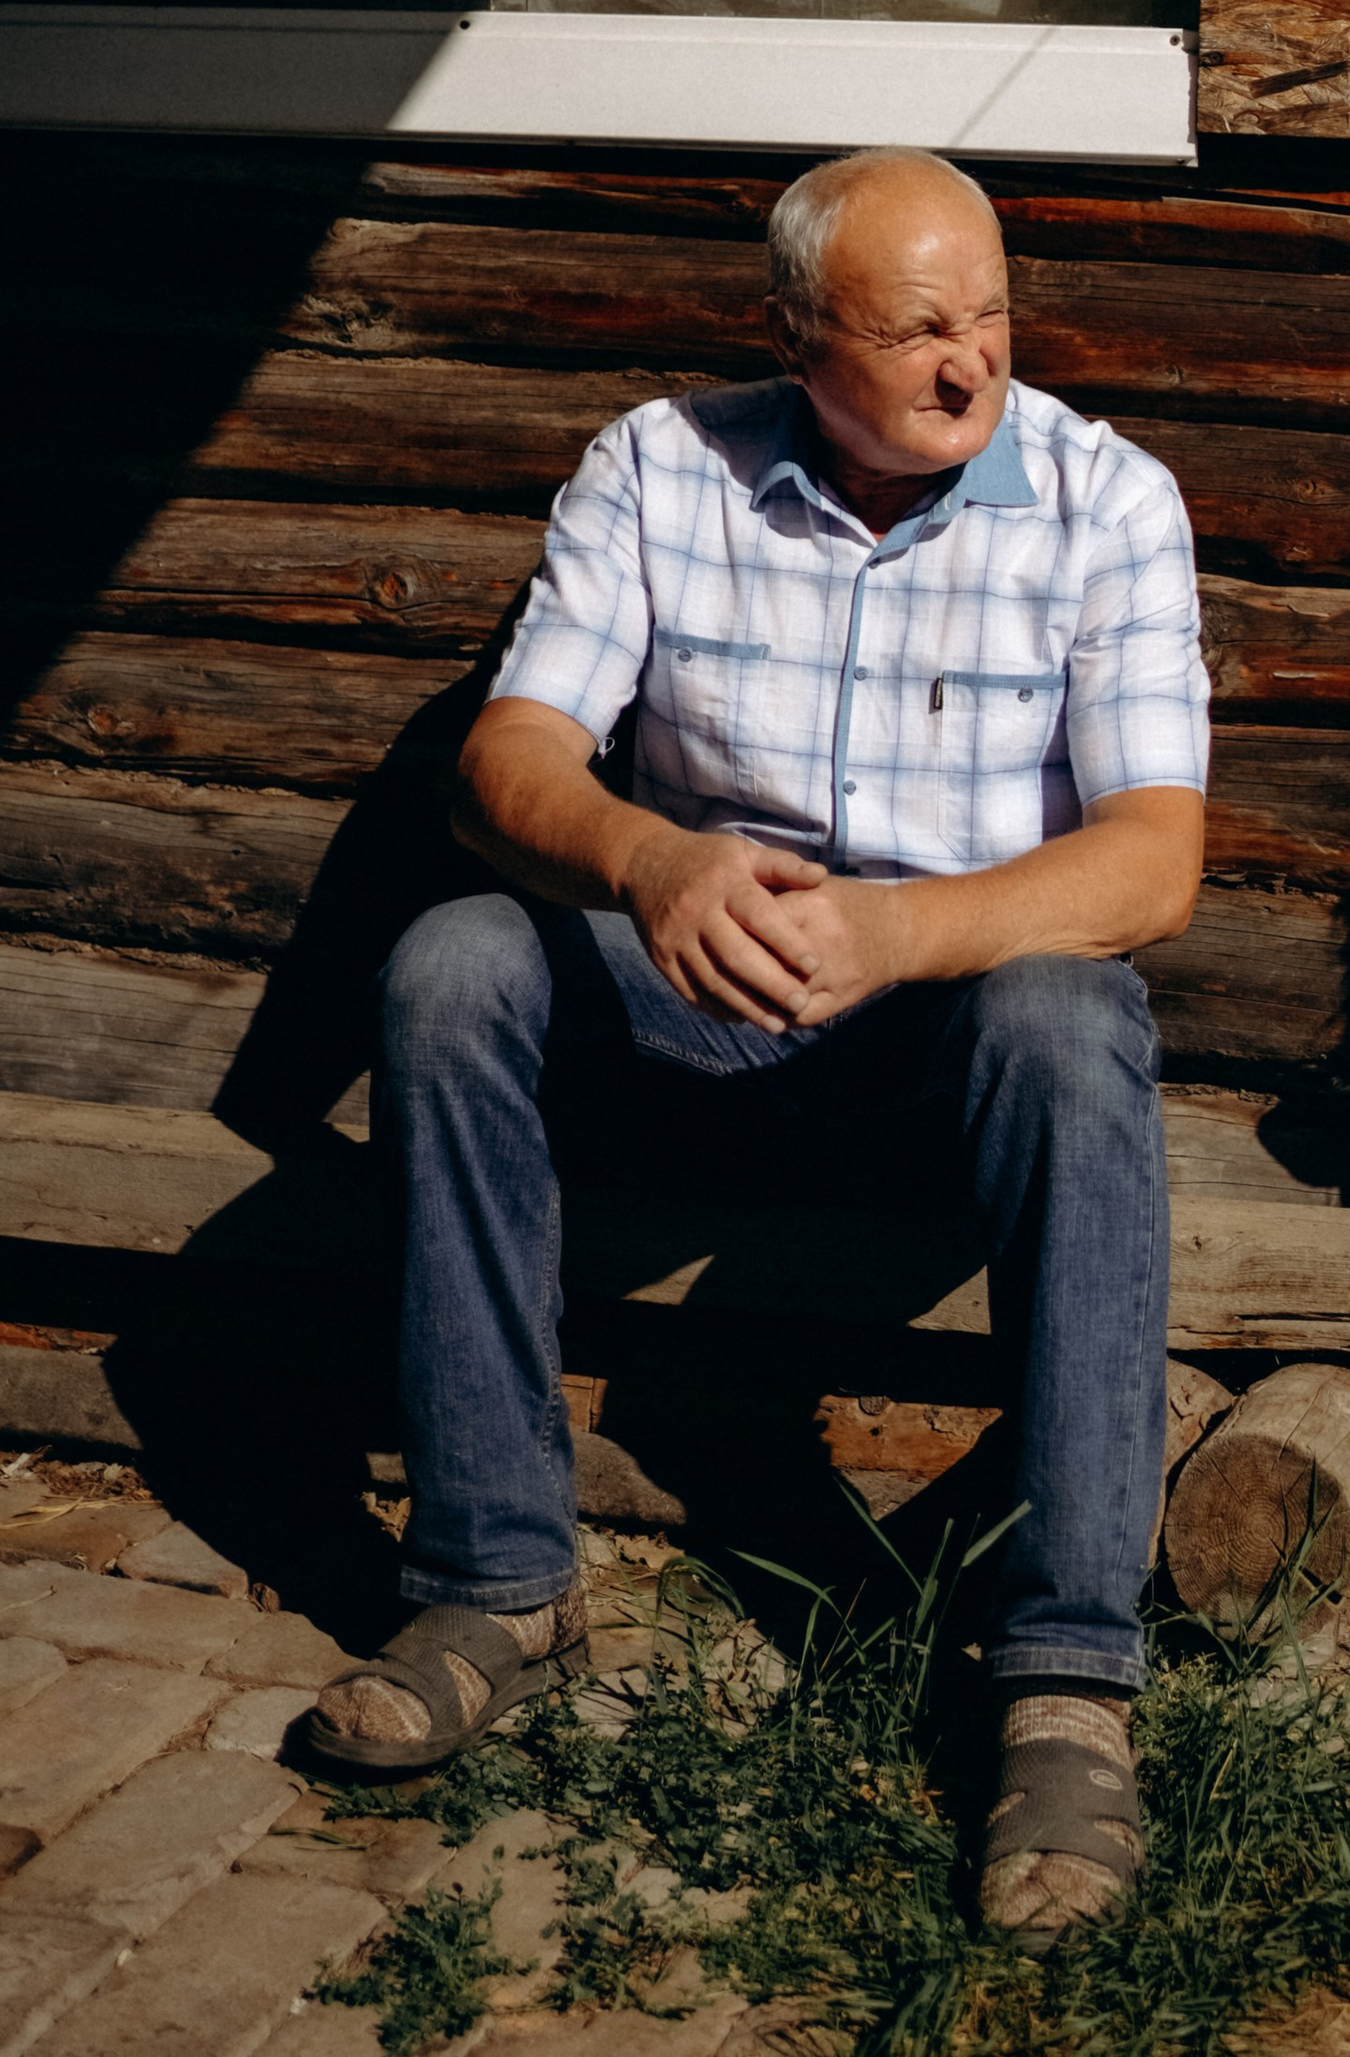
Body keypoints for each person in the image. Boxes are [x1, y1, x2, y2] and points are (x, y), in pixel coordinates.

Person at [302, 147, 1211, 1949]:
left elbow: (1156, 860)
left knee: (1075, 1004)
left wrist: (898, 930)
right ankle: (499, 1580)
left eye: (996, 314)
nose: (976, 363)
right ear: (800, 338)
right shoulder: (660, 462)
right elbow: (510, 765)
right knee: (455, 967)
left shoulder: (1106, 499)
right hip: (693, 996)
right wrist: (652, 860)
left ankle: (1064, 1682)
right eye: (922, 328)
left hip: (940, 1032)